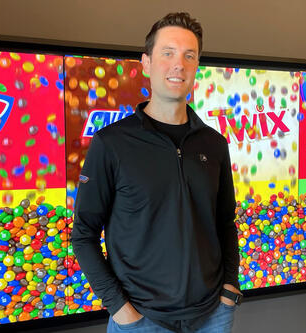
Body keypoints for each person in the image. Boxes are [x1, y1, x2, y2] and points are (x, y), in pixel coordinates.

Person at [72, 12, 243, 333]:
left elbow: (224, 223)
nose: (178, 64)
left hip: (212, 316)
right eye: (168, 53)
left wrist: (229, 290)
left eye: (188, 56)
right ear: (147, 63)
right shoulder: (111, 143)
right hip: (140, 320)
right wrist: (120, 309)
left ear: (196, 67)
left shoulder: (214, 143)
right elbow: (84, 234)